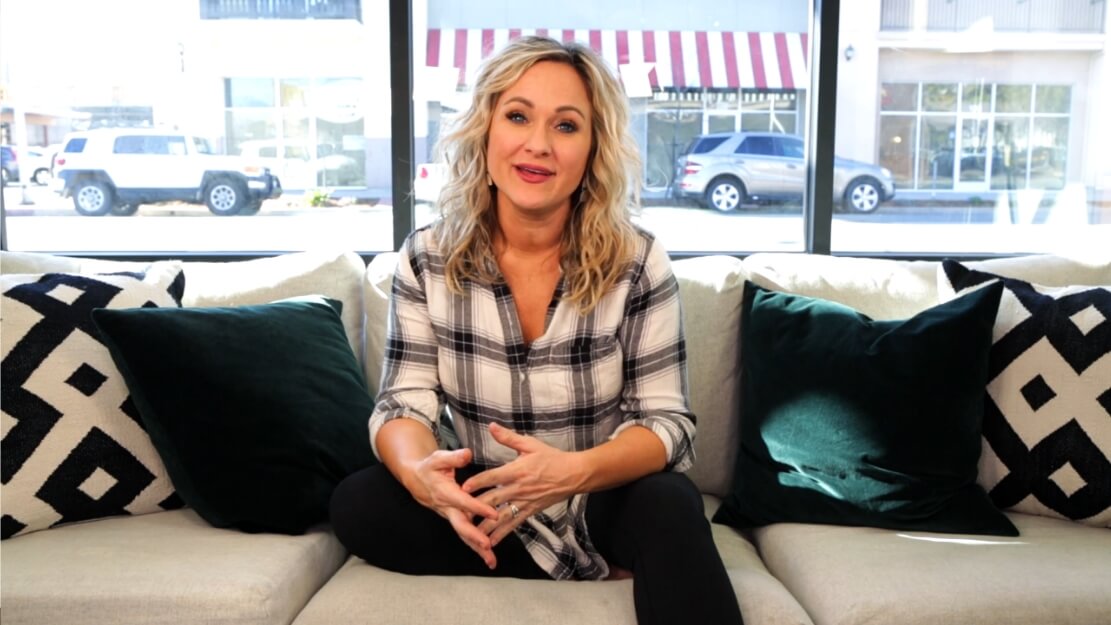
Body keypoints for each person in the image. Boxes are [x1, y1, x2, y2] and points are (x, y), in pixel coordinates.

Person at [330, 36, 743, 625]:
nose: (539, 145)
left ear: (593, 149)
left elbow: (667, 424)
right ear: (485, 130)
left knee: (671, 502)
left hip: (600, 490)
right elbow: (403, 403)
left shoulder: (638, 259)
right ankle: (585, 565)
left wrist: (571, 472)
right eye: (518, 116)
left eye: (566, 126)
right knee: (360, 503)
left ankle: (564, 551)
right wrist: (423, 475)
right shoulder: (426, 257)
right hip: (488, 495)